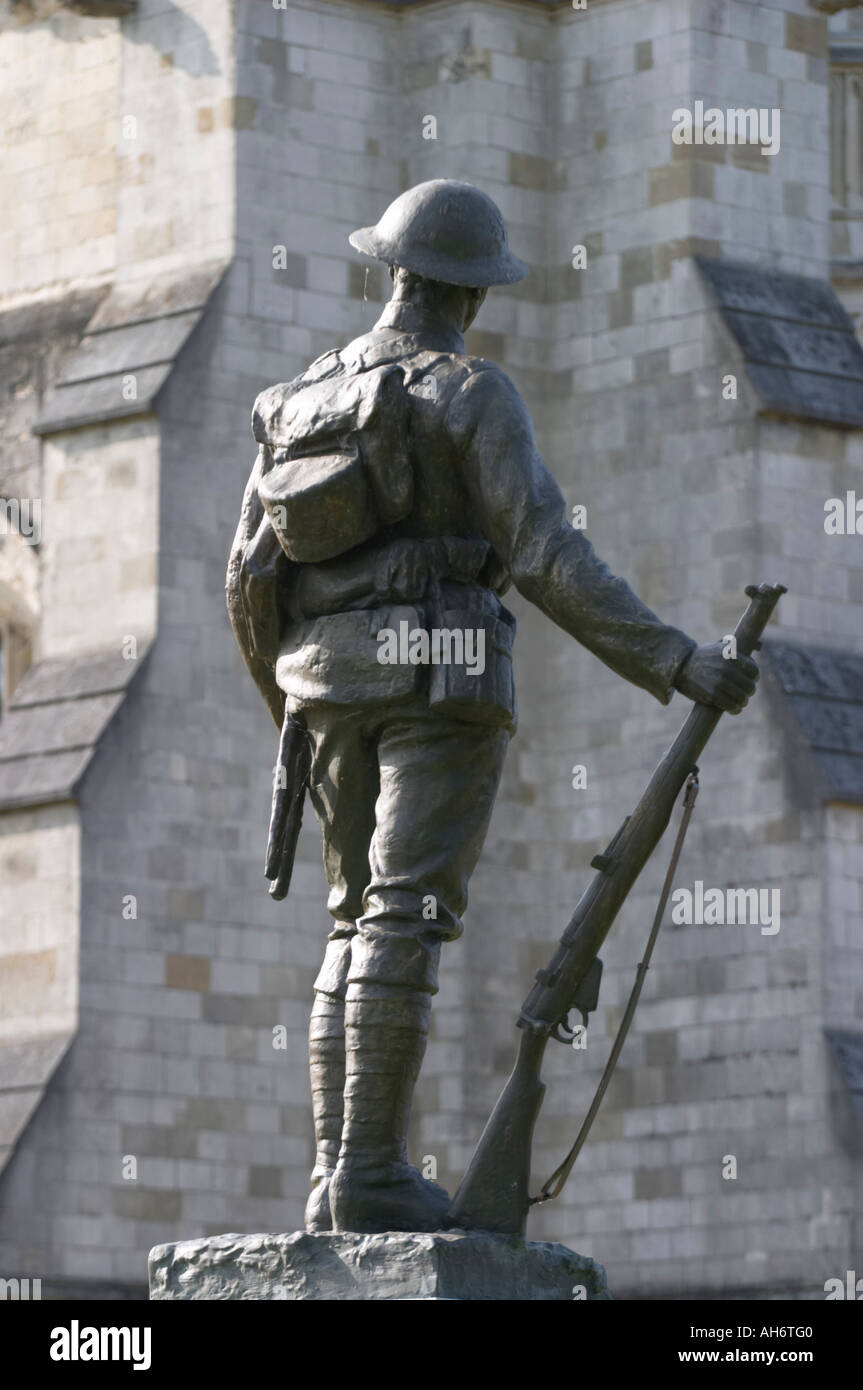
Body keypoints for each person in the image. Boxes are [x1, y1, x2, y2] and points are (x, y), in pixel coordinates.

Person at [226, 180, 758, 1235]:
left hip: (322, 690)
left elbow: (246, 578)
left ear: (391, 271)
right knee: (403, 916)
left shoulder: (296, 398)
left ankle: (337, 1176)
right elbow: (543, 552)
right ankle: (369, 1172)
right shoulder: (471, 391)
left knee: (351, 921)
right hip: (443, 679)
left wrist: (290, 700)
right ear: (472, 292)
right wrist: (675, 660)